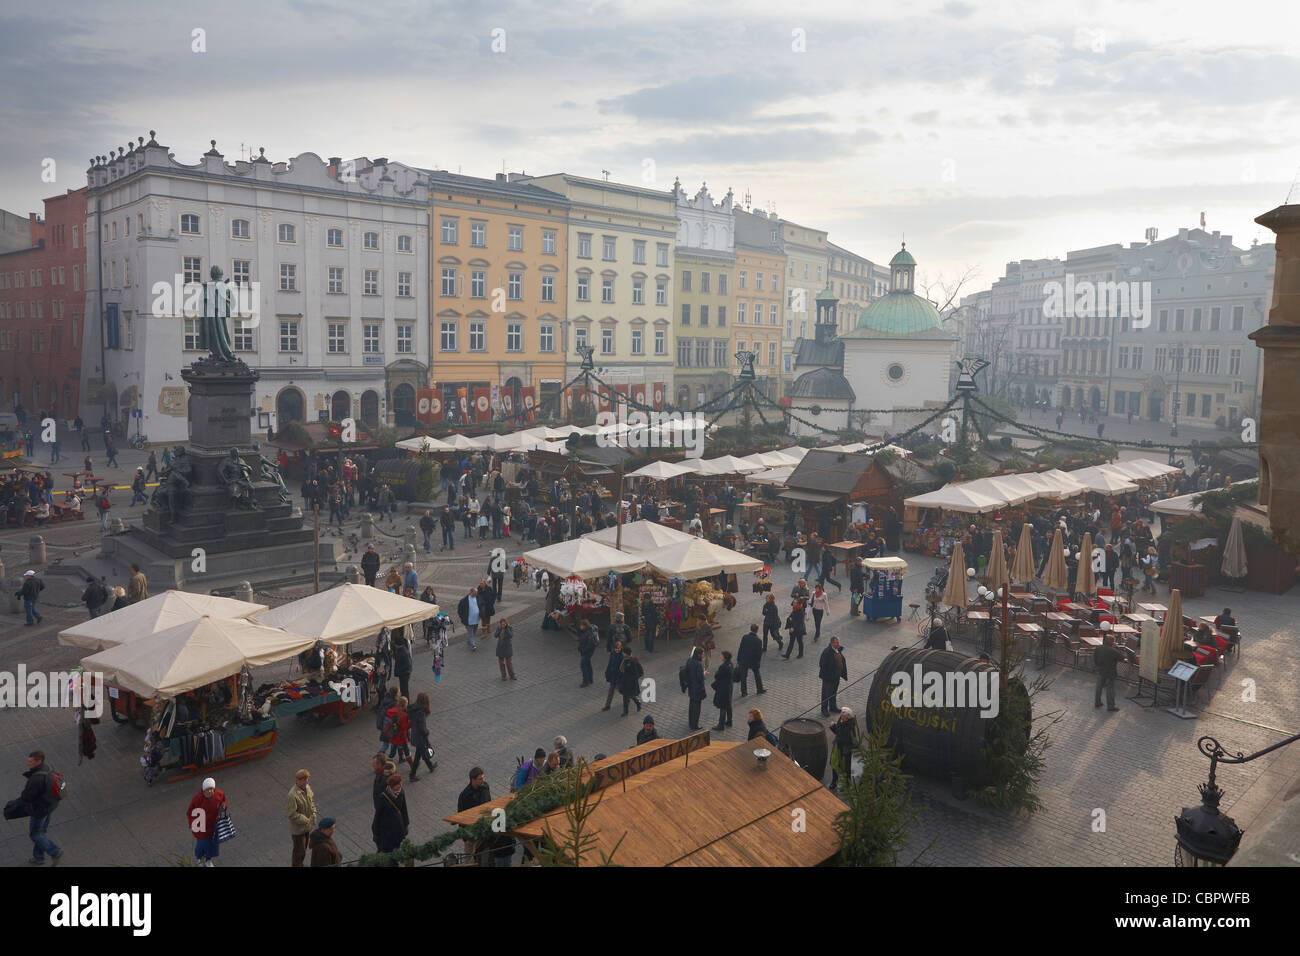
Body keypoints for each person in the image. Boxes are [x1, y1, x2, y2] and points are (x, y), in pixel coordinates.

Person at [14, 750, 63, 865]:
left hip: (39, 810)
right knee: (41, 832)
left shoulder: (36, 778)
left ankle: (55, 851)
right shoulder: (48, 768)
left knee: (35, 834)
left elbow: (27, 796)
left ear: (38, 761)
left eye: (30, 761)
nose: (28, 764)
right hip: (50, 805)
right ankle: (39, 857)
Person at [186, 776, 226, 867]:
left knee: (212, 846)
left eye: (211, 789)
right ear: (203, 790)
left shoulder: (219, 794)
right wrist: (192, 823)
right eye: (207, 790)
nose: (209, 791)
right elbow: (190, 812)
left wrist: (223, 806)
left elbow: (223, 802)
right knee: (201, 846)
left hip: (214, 826)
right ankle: (200, 860)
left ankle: (208, 860)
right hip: (202, 827)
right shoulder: (197, 799)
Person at [285, 769, 317, 867]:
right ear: (298, 780)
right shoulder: (292, 795)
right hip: (298, 830)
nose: (306, 782)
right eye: (304, 780)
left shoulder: (307, 788)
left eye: (307, 779)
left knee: (303, 851)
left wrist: (314, 812)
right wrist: (305, 820)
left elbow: (311, 801)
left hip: (307, 826)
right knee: (299, 853)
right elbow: (291, 814)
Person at [372, 774, 409, 854]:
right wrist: (375, 832)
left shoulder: (401, 792)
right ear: (392, 786)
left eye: (400, 783)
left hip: (398, 827)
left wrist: (406, 824)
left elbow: (404, 809)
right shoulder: (383, 797)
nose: (400, 786)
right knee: (386, 851)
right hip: (386, 830)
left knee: (396, 848)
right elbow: (377, 815)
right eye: (398, 784)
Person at [407, 693, 437, 781]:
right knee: (418, 756)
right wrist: (427, 732)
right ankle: (412, 775)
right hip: (420, 737)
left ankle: (430, 766)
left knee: (419, 754)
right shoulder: (421, 712)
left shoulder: (414, 709)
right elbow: (422, 728)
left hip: (415, 736)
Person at [1093, 633, 1124, 712]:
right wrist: (1117, 648)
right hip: (1110, 672)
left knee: (1099, 687)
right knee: (1110, 689)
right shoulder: (1113, 650)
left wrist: (1098, 666)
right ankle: (1110, 706)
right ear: (1112, 642)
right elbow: (1122, 658)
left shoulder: (1098, 648)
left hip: (1100, 670)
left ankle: (1097, 702)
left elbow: (1095, 658)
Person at [829, 707, 858, 790]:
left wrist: (835, 727)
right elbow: (838, 734)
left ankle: (847, 784)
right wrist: (833, 727)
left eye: (843, 716)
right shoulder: (841, 721)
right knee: (834, 764)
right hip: (837, 747)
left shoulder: (850, 726)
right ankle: (834, 781)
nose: (841, 716)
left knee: (846, 768)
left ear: (847, 718)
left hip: (845, 749)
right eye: (841, 714)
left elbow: (845, 738)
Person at [818, 636, 847, 717]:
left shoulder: (838, 650)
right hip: (828, 678)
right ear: (831, 643)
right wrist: (829, 673)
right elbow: (822, 664)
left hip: (836, 677)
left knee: (833, 693)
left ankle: (833, 707)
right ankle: (824, 709)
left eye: (838, 642)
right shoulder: (827, 652)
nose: (838, 644)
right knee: (826, 694)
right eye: (836, 643)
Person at [736, 623, 765, 696]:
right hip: (753, 661)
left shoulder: (745, 637)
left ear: (750, 629)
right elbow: (759, 653)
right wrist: (758, 662)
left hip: (744, 660)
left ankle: (744, 692)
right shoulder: (758, 640)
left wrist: (739, 659)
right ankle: (759, 689)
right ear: (757, 630)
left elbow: (741, 648)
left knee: (743, 676)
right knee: (757, 674)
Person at [382, 695, 412, 763]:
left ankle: (389, 764)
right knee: (406, 750)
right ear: (404, 705)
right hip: (401, 736)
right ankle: (412, 765)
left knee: (393, 751)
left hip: (393, 734)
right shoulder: (404, 715)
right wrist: (411, 723)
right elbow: (405, 727)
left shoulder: (391, 711)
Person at [711, 650, 734, 731]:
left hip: (723, 688)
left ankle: (721, 725)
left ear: (724, 657)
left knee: (723, 706)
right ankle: (729, 721)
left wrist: (717, 672)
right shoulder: (731, 664)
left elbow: (717, 676)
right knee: (728, 704)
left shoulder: (723, 666)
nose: (721, 657)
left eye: (722, 656)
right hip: (729, 687)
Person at [618, 644, 644, 716]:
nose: (622, 653)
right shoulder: (625, 660)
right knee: (625, 697)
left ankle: (638, 703)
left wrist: (630, 680)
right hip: (624, 682)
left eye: (623, 652)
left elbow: (636, 673)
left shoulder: (632, 662)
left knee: (632, 695)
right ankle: (625, 711)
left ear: (626, 653)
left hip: (631, 683)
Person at [684, 646, 707, 731]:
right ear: (699, 654)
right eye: (702, 654)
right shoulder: (698, 664)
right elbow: (700, 678)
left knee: (691, 705)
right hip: (697, 688)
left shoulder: (689, 660)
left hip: (691, 686)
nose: (703, 656)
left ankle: (690, 722)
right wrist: (703, 673)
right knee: (697, 707)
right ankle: (694, 725)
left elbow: (686, 672)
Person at [602, 640, 625, 711]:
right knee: (611, 691)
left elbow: (623, 668)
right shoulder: (612, 654)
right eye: (616, 648)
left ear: (621, 648)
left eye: (618, 648)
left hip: (620, 677)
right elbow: (610, 663)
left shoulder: (622, 656)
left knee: (623, 691)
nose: (617, 650)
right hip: (613, 676)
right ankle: (607, 705)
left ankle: (631, 699)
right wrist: (607, 672)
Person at [458, 586, 481, 651]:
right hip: (468, 620)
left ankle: (469, 640)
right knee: (470, 632)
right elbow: (460, 610)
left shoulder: (477, 598)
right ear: (471, 592)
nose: (476, 594)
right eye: (475, 593)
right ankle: (473, 645)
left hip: (476, 619)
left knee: (474, 631)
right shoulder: (464, 600)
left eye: (477, 593)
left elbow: (481, 605)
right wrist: (462, 617)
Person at [578, 621, 599, 688]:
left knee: (583, 666)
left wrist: (584, 650)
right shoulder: (586, 631)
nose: (580, 627)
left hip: (587, 652)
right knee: (588, 665)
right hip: (586, 652)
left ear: (584, 626)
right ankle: (590, 679)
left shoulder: (589, 633)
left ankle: (586, 681)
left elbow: (590, 644)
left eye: (581, 625)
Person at [392, 631, 413, 700]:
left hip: (404, 674)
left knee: (404, 689)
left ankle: (406, 702)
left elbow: (404, 664)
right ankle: (405, 701)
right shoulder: (402, 650)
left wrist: (398, 672)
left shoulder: (402, 652)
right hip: (404, 673)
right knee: (404, 689)